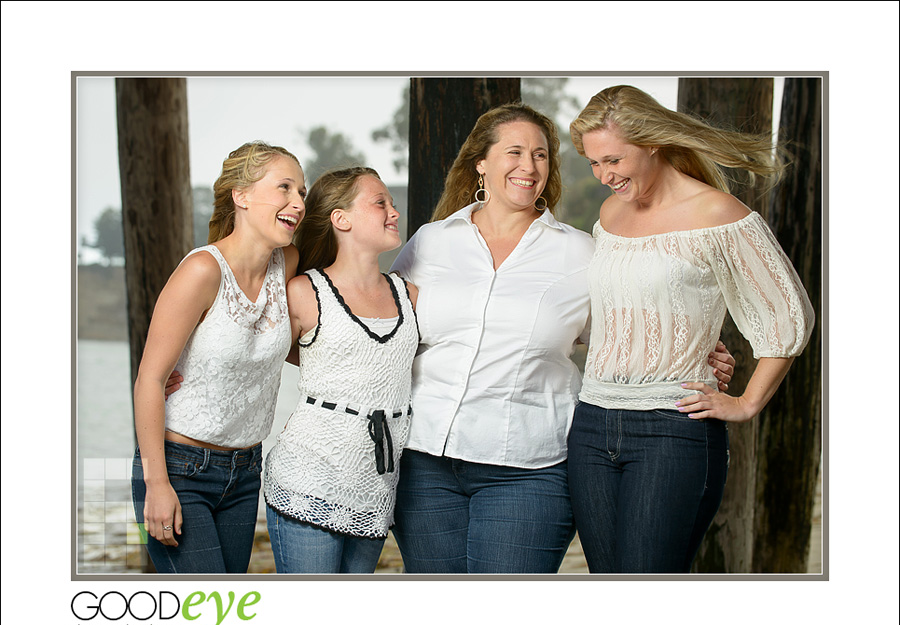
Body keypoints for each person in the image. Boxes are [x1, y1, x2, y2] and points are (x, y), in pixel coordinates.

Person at [389, 102, 737, 574]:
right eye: (514, 151)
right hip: (423, 463)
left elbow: (630, 328)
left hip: (528, 468)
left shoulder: (581, 253)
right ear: (481, 163)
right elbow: (384, 330)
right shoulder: (431, 241)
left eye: (540, 155)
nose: (528, 166)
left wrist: (696, 350)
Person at [565, 85, 815, 573]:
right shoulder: (610, 215)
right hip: (592, 424)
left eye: (613, 160)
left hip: (672, 430)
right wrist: (694, 333)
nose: (604, 176)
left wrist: (745, 404)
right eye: (595, 164)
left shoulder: (717, 214)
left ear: (653, 142)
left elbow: (788, 315)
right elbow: (624, 308)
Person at [131, 141, 305, 573]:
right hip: (179, 469)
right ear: (241, 196)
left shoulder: (289, 262)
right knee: (207, 615)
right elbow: (149, 381)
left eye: (301, 192)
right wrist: (156, 484)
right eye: (284, 188)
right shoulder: (202, 271)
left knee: (223, 615)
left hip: (246, 472)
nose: (298, 203)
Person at [263, 167, 419, 574]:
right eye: (380, 202)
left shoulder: (409, 293)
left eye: (391, 203)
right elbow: (252, 353)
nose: (393, 212)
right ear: (341, 219)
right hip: (307, 477)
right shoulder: (303, 292)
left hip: (377, 484)